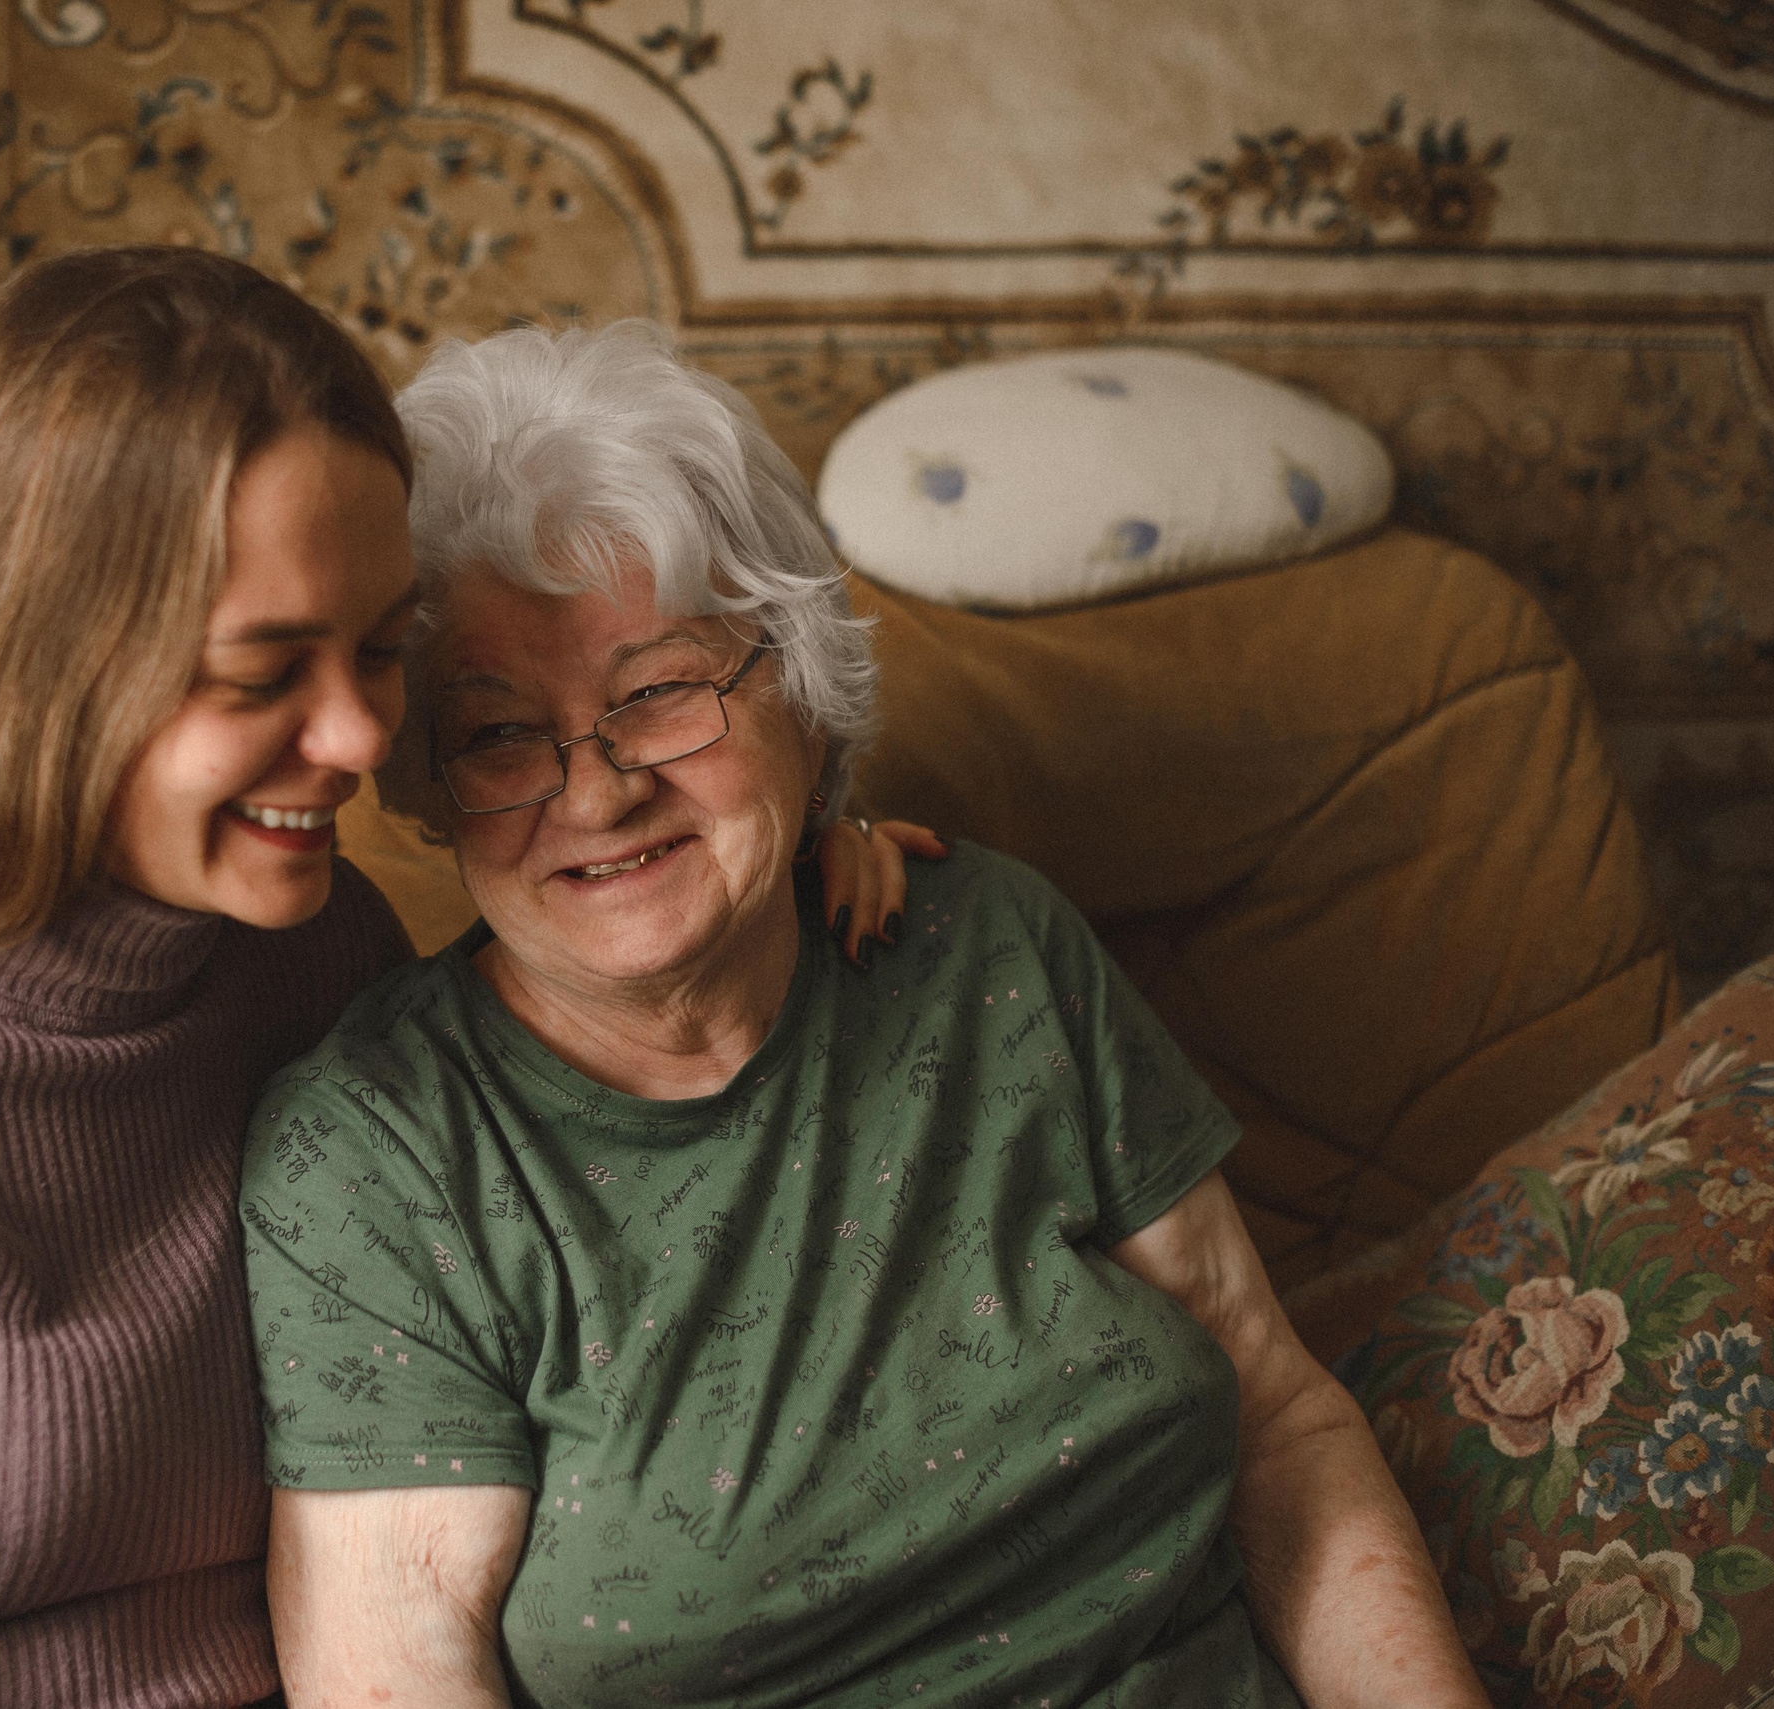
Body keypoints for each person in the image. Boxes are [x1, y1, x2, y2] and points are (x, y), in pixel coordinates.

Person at [0, 250, 917, 1709]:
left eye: (382, 652)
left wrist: (819, 842)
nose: (355, 737)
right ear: (34, 666)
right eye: (264, 674)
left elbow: (649, 1257)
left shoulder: (320, 958)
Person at [238, 323, 1492, 1708]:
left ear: (803, 686)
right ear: (421, 770)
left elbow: (1286, 1424)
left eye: (660, 693)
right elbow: (396, 1677)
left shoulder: (989, 948)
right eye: (496, 733)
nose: (595, 792)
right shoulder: (381, 1157)